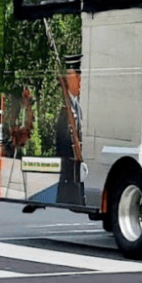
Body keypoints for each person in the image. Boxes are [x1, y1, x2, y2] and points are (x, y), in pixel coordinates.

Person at [55, 54, 86, 206]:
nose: (80, 82)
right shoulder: (63, 107)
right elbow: (60, 140)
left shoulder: (77, 104)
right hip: (68, 161)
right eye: (77, 78)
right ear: (68, 79)